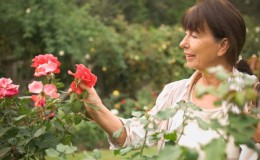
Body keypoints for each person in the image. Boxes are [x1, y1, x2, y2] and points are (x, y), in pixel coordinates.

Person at [79, 0, 259, 159]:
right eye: (186, 33)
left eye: (194, 35)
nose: (183, 43)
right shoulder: (175, 93)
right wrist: (96, 106)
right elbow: (132, 136)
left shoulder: (252, 98)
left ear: (222, 45)